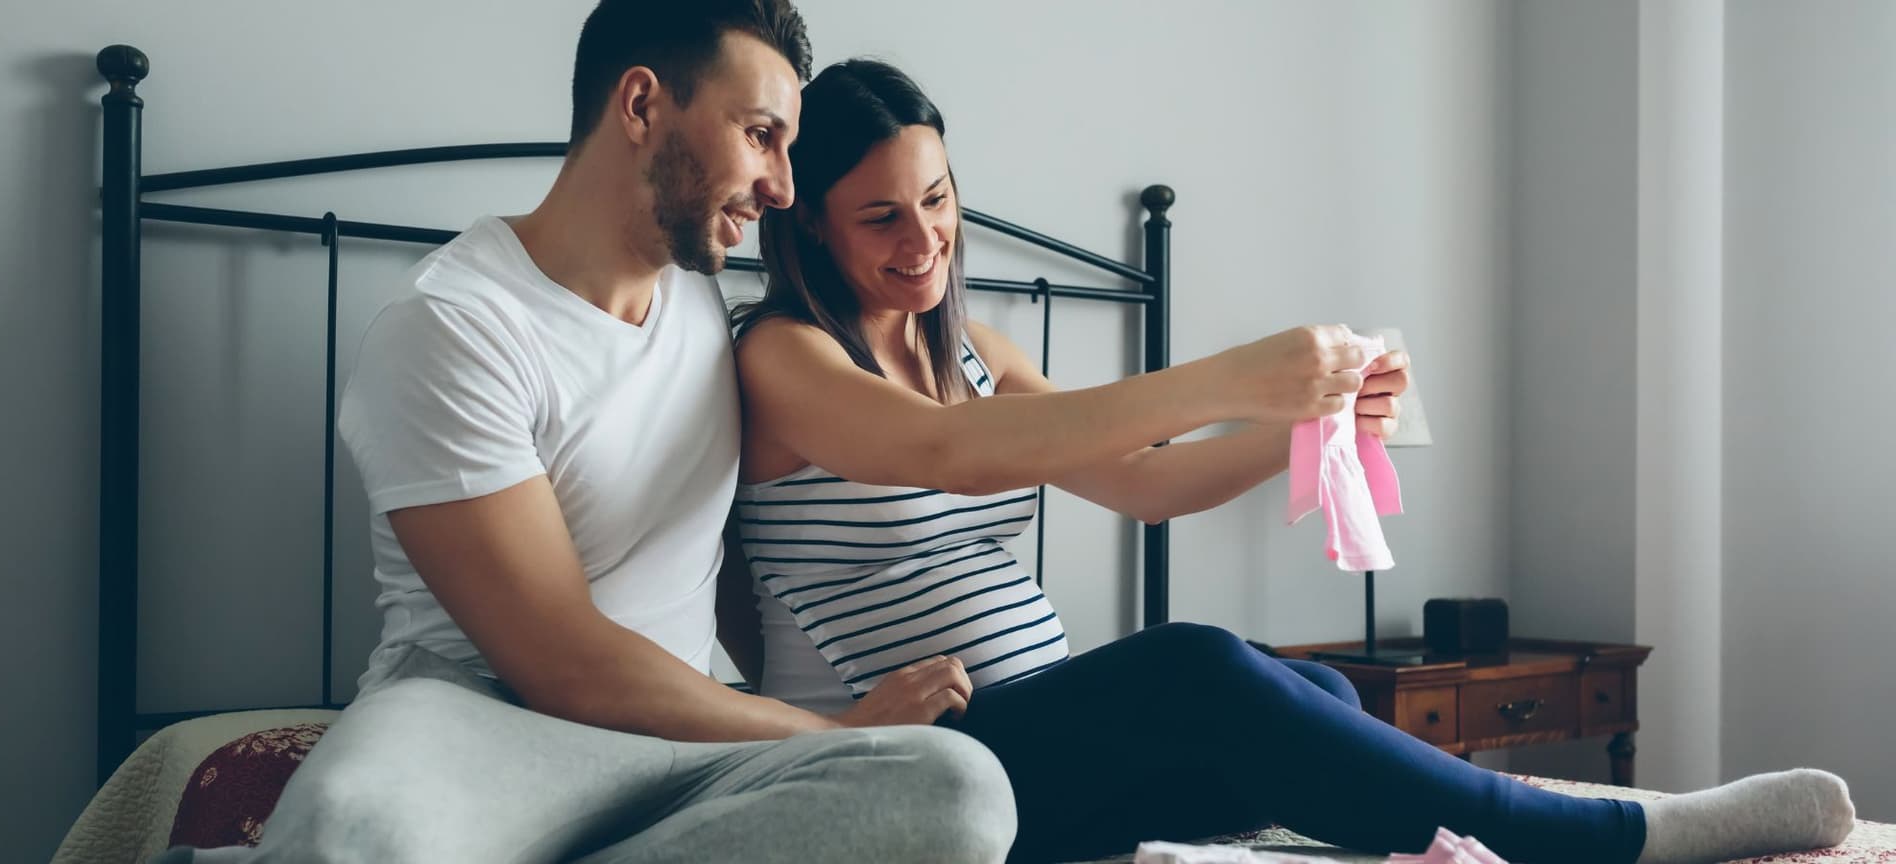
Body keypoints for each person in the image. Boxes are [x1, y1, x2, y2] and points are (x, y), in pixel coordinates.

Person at [728, 58, 1858, 864]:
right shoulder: (783, 357)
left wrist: (1305, 428)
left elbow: (1142, 478)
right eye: (880, 218)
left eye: (937, 201)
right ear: (809, 223)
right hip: (917, 765)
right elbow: (954, 454)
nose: (924, 242)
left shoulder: (970, 347)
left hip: (1043, 744)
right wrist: (1230, 374)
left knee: (1309, 691)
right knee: (1200, 670)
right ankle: (1601, 834)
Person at [157, 8, 1018, 864]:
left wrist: (817, 734)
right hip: (486, 725)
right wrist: (829, 732)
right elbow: (565, 665)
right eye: (760, 135)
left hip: (683, 747)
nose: (783, 187)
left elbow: (736, 552)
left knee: (958, 789)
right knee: (358, 828)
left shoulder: (698, 300)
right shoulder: (452, 328)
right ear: (641, 105)